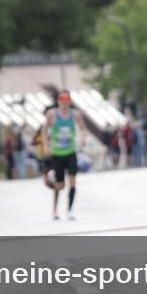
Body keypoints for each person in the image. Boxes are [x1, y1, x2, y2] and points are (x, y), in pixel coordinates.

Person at [41, 90, 86, 220]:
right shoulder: (52, 115)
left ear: (69, 102)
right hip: (57, 153)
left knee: (73, 181)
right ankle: (55, 210)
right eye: (62, 101)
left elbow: (83, 128)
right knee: (60, 184)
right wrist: (45, 145)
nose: (65, 104)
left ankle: (70, 210)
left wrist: (83, 137)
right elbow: (44, 130)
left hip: (70, 152)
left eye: (67, 102)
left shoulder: (75, 115)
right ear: (58, 101)